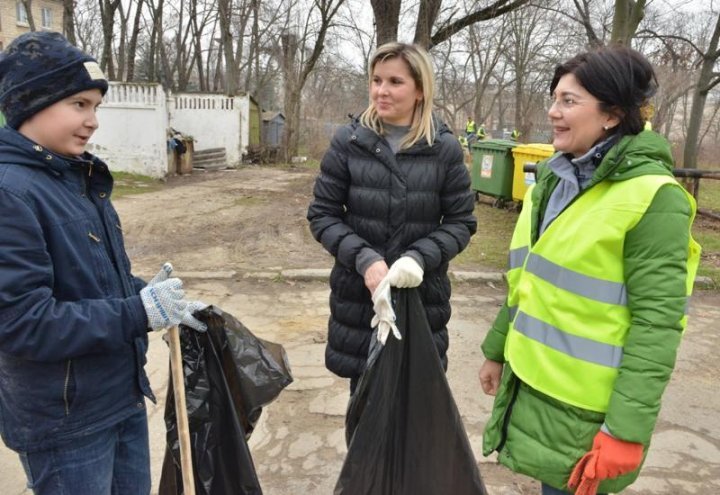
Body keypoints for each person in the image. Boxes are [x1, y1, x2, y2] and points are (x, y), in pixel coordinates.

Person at [478, 46, 701, 495]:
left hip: (588, 413)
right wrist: (497, 348)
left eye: (569, 101)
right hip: (534, 388)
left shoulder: (655, 199)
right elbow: (529, 279)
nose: (553, 111)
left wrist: (625, 431)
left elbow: (656, 325)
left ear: (613, 115)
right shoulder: (554, 182)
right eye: (554, 98)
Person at [0, 32, 207, 494]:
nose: (93, 121)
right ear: (31, 103)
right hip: (65, 425)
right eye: (79, 104)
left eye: (96, 107)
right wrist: (140, 311)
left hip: (119, 397)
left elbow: (91, 281)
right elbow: (21, 322)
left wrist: (150, 296)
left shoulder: (75, 176)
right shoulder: (10, 192)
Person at [307, 42, 477, 392]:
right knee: (364, 413)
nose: (381, 91)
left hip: (421, 301)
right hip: (359, 300)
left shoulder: (444, 149)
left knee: (413, 416)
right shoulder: (348, 142)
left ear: (419, 90)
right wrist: (365, 258)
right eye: (376, 80)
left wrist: (418, 258)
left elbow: (461, 222)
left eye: (395, 82)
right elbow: (323, 215)